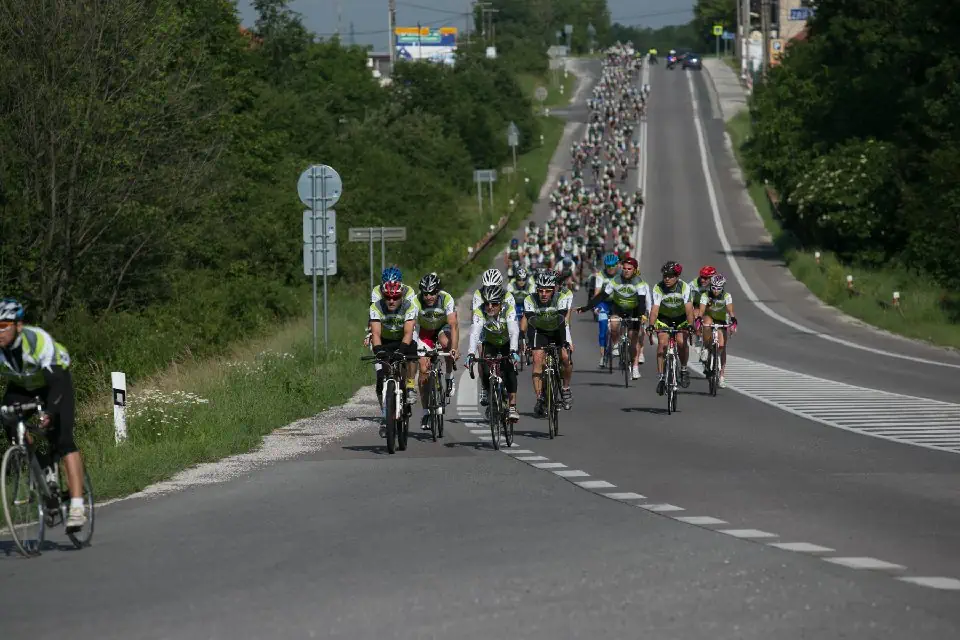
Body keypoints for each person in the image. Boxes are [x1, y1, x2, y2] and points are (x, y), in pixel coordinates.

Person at [0, 298, 88, 529]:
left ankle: (77, 506)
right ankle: (41, 464)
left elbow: (57, 383)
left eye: (4, 326)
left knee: (63, 439)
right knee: (8, 420)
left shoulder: (36, 341)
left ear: (18, 325)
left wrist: (49, 412)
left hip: (54, 382)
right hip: (22, 386)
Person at [577, 256, 650, 379]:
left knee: (633, 340)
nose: (626, 271)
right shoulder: (615, 280)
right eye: (624, 268)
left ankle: (635, 368)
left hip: (634, 310)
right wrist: (586, 308)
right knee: (614, 324)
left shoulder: (639, 282)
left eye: (629, 269)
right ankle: (615, 345)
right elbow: (601, 296)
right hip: (618, 308)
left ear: (634, 270)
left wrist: (642, 315)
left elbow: (642, 301)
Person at [521, 270, 574, 414]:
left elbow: (562, 322)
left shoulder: (561, 298)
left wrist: (564, 342)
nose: (544, 294)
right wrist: (530, 344)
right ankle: (540, 398)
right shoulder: (529, 300)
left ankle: (565, 388)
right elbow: (531, 324)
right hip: (540, 332)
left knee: (565, 358)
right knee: (537, 360)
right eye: (541, 290)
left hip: (557, 330)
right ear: (537, 290)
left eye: (548, 291)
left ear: (553, 290)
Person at [466, 285, 520, 422]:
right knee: (485, 370)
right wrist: (471, 353)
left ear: (501, 304)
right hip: (490, 343)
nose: (490, 307)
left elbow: (513, 331)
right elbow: (474, 333)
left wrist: (513, 350)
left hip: (507, 343)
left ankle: (512, 406)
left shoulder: (508, 310)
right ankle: (490, 396)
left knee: (510, 371)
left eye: (494, 304)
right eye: (487, 303)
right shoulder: (480, 311)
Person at [369, 281, 419, 429]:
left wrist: (401, 351)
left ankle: (410, 387)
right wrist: (379, 351)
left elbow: (408, 333)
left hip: (403, 340)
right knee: (384, 374)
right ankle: (387, 412)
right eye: (388, 297)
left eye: (395, 298)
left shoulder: (409, 306)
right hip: (385, 341)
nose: (391, 301)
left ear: (401, 297)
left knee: (411, 353)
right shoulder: (376, 307)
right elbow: (375, 333)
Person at [414, 273, 459, 428]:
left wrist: (454, 349)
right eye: (425, 293)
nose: (429, 297)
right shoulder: (415, 301)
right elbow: (411, 325)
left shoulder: (446, 299)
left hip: (442, 327)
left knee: (446, 343)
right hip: (425, 332)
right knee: (423, 370)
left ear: (438, 291)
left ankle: (449, 376)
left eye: (432, 293)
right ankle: (426, 412)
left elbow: (453, 325)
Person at [647, 261, 695, 395]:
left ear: (677, 277)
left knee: (681, 342)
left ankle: (683, 369)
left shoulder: (684, 287)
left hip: (681, 318)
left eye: (670, 276)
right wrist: (651, 325)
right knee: (662, 344)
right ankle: (661, 377)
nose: (667, 279)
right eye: (665, 276)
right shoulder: (658, 287)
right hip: (664, 319)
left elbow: (689, 310)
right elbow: (655, 310)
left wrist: (690, 325)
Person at [695, 274, 738, 388]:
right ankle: (705, 348)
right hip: (710, 317)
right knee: (707, 324)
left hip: (721, 319)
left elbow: (730, 310)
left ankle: (722, 376)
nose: (715, 290)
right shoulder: (705, 295)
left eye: (718, 288)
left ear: (722, 288)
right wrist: (698, 319)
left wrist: (733, 320)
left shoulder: (727, 296)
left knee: (722, 346)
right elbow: (701, 310)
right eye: (713, 287)